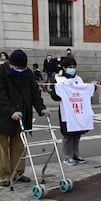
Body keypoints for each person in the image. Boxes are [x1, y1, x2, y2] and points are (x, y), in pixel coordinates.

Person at [0, 49, 49, 187]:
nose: (20, 70)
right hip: (3, 116)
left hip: (22, 116)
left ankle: (18, 173)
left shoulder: (27, 74)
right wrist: (11, 111)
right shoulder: (1, 72)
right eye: (18, 67)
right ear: (11, 64)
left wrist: (41, 108)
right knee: (2, 148)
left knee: (19, 147)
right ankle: (4, 176)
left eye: (23, 68)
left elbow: (34, 93)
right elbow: (1, 96)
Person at [49, 57, 95, 165]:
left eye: (74, 67)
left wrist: (92, 86)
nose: (72, 69)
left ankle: (76, 154)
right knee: (68, 134)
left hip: (78, 110)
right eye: (70, 67)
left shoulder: (78, 79)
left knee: (77, 133)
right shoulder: (59, 80)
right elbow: (55, 96)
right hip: (66, 111)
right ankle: (68, 156)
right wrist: (55, 90)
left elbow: (84, 92)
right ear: (64, 68)